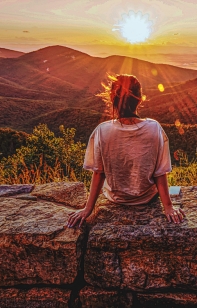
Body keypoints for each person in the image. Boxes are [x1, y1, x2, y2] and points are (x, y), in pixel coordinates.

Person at [67, 74, 185, 228]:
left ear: (112, 99)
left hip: (116, 198)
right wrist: (168, 208)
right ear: (140, 99)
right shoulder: (154, 128)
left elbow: (99, 173)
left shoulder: (102, 131)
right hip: (148, 197)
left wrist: (87, 209)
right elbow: (160, 173)